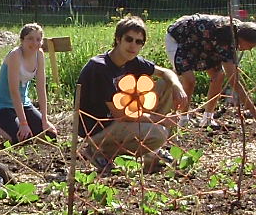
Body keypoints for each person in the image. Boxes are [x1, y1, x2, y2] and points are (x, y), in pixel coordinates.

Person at [77, 16, 185, 172]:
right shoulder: (99, 68)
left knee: (167, 83)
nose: (133, 45)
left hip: (125, 118)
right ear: (118, 39)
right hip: (100, 129)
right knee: (159, 133)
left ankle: (151, 154)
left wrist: (177, 86)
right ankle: (99, 151)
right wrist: (161, 120)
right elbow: (121, 115)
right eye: (129, 39)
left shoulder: (132, 61)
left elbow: (166, 72)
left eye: (138, 42)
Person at [164, 14, 256, 121]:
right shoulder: (228, 39)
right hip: (180, 38)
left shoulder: (235, 33)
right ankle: (183, 118)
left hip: (203, 44)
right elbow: (234, 81)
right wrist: (253, 112)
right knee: (190, 80)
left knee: (219, 76)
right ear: (242, 39)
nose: (248, 50)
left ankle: (208, 119)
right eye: (249, 47)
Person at [0, 22, 57, 144]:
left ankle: (17, 123)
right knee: (22, 139)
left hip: (24, 103)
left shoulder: (39, 55)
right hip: (2, 106)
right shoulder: (15, 55)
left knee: (50, 135)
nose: (34, 43)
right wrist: (23, 123)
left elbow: (41, 88)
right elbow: (14, 91)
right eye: (30, 39)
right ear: (22, 40)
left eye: (38, 39)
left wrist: (45, 120)